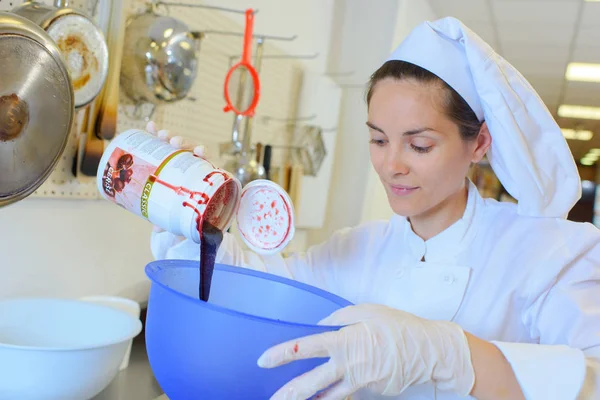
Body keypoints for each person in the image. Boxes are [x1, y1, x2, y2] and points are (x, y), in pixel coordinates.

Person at [150, 17, 600, 400]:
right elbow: (253, 289)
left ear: (478, 143)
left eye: (419, 145)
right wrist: (192, 219)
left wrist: (449, 353)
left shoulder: (548, 254)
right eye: (378, 139)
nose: (391, 166)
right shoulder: (357, 249)